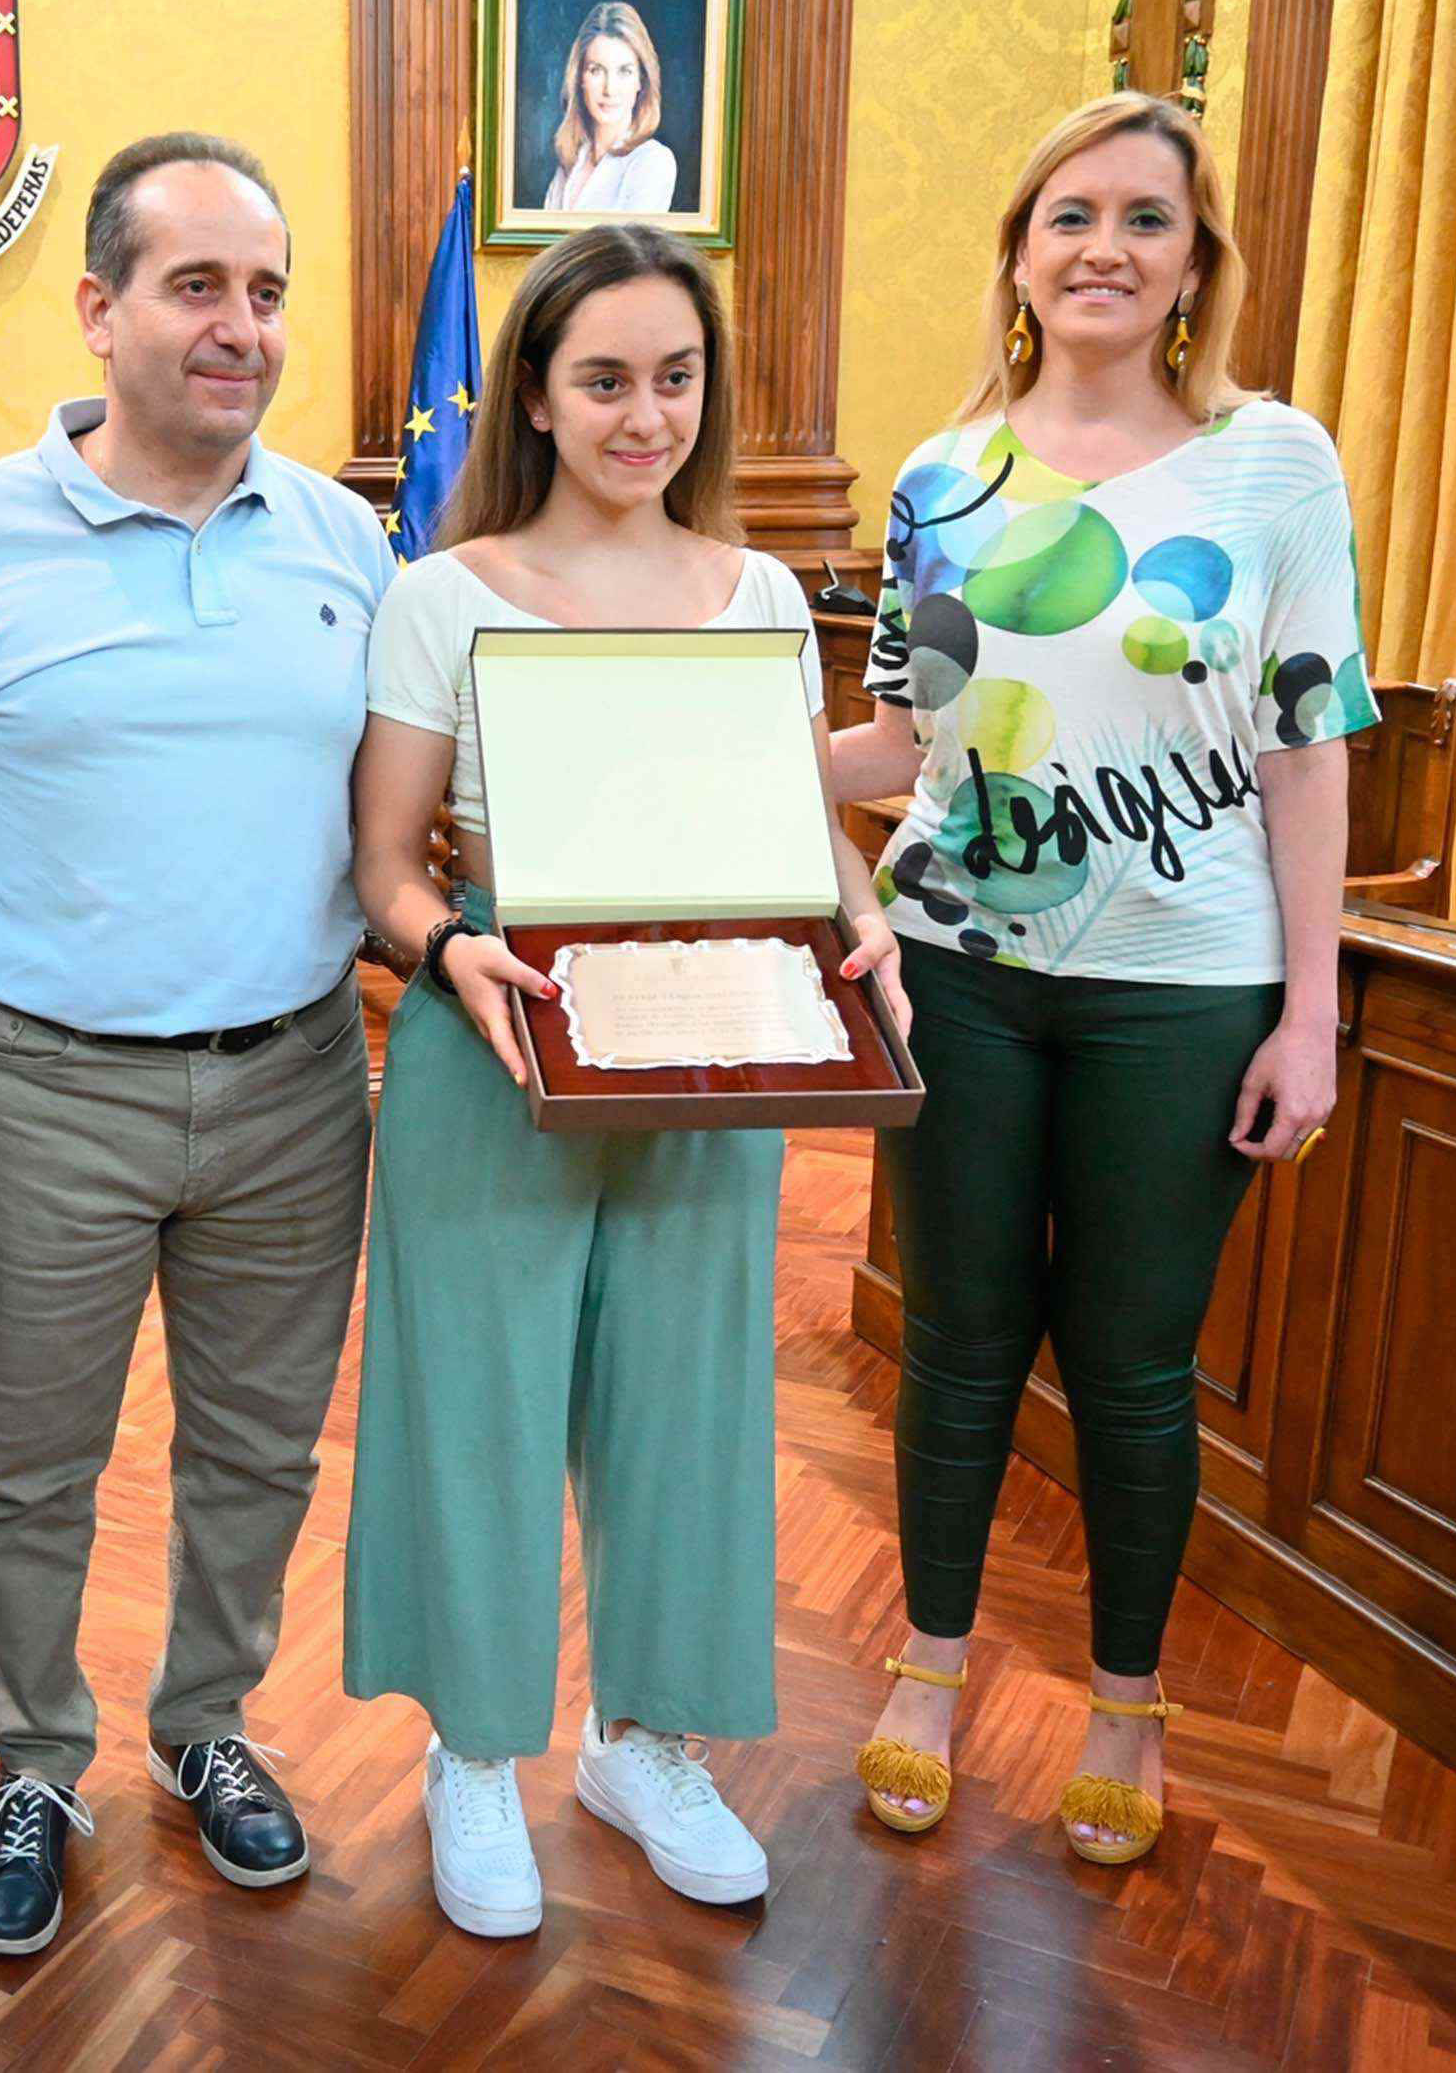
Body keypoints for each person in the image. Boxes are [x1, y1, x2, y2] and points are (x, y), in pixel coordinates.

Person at [0, 132, 395, 1959]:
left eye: (263, 293)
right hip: (44, 1089)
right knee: (31, 1454)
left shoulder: (348, 541)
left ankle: (208, 1724)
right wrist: (42, 963)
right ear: (95, 310)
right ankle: (30, 1756)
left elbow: (390, 812)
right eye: (195, 286)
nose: (238, 328)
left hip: (300, 1080)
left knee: (255, 1449)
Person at [344, 221, 905, 1938]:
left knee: (686, 1393)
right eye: (603, 377)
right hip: (500, 1021)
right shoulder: (441, 592)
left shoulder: (752, 591)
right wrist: (453, 951)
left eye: (675, 376)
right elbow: (381, 867)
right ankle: (475, 1751)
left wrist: (864, 923)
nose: (642, 412)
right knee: (476, 1397)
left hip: (708, 1021)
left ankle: (644, 1740)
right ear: (535, 390)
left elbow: (796, 834)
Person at [836, 91, 1373, 1865]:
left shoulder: (1272, 462)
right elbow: (906, 736)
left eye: (1145, 219)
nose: (1101, 247)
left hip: (1186, 981)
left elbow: (1307, 750)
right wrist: (689, 730)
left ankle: (1126, 1704)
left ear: (1193, 265)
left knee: (1133, 1367)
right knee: (959, 1343)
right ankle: (924, 1667)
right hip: (952, 968)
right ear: (1015, 251)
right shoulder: (941, 474)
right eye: (1069, 213)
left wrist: (1312, 1008)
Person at [541, 1, 677, 215]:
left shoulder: (652, 162)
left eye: (624, 71)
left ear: (641, 81)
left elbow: (628, 249)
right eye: (596, 71)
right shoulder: (571, 163)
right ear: (579, 79)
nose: (610, 89)